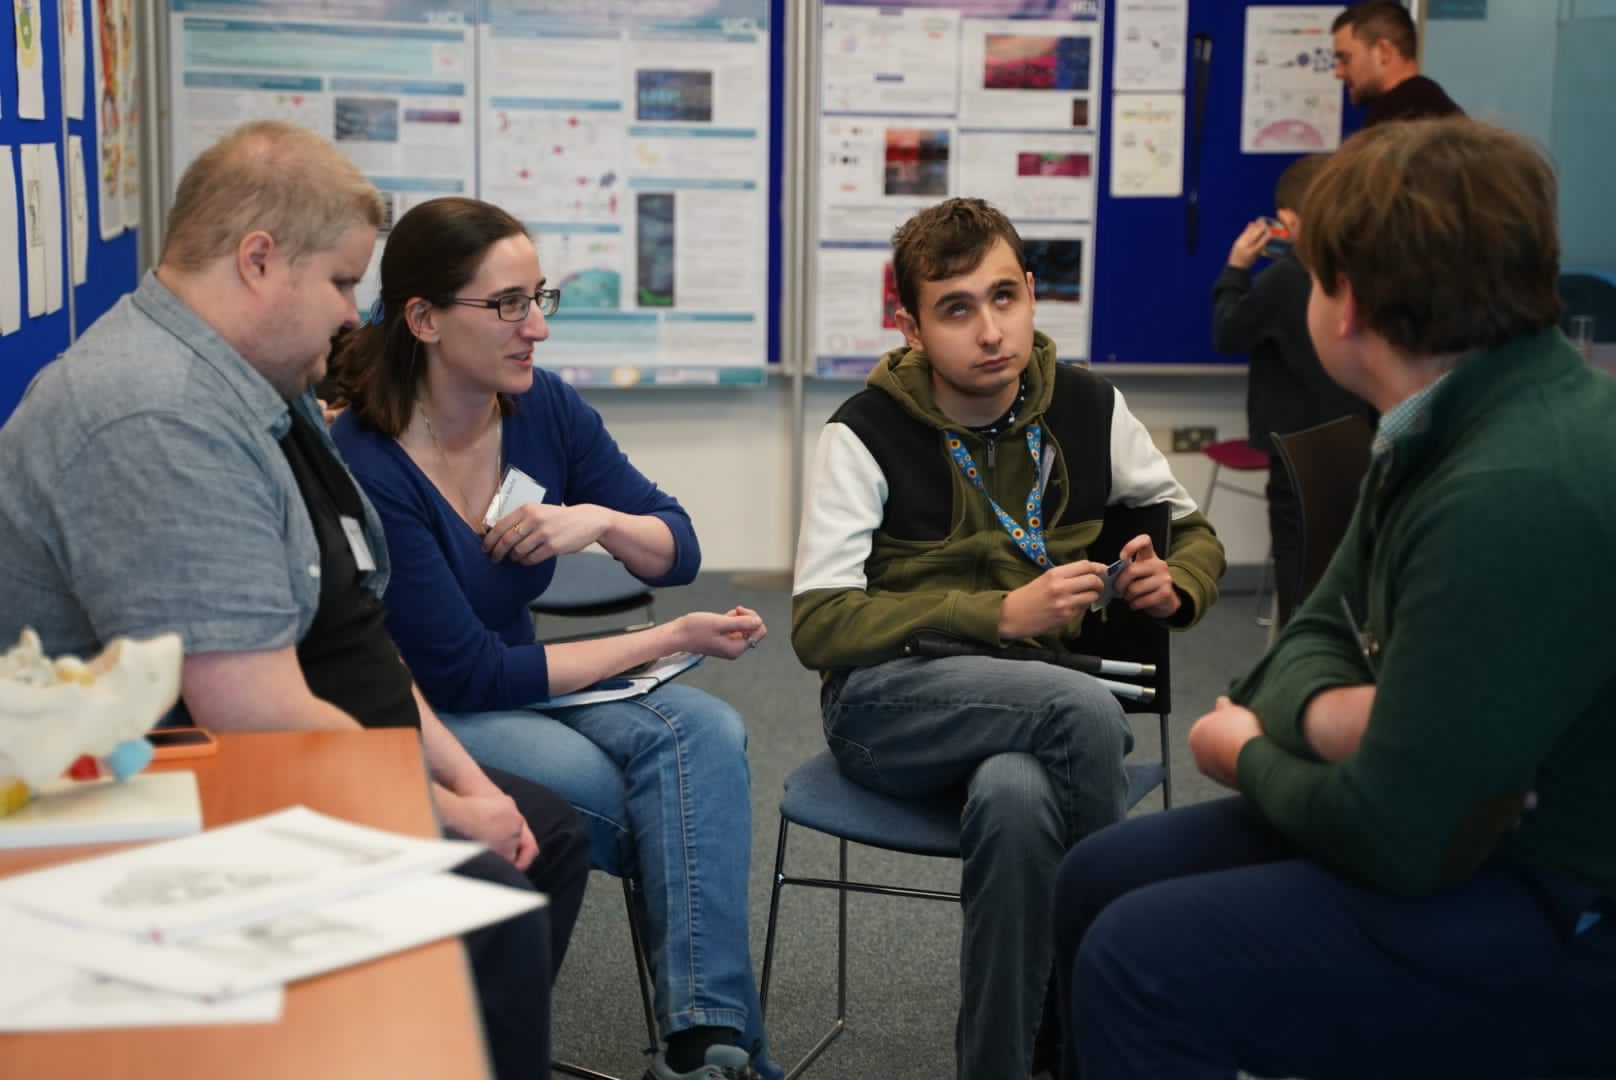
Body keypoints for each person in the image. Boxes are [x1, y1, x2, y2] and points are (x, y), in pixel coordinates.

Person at [0, 122, 590, 1080]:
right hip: (132, 798)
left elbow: (358, 626)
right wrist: (438, 812)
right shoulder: (159, 417)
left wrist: (467, 787)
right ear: (259, 260)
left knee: (545, 834)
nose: (354, 316)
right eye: (342, 283)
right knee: (490, 895)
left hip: (267, 751)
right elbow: (253, 714)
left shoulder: (253, 390)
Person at [1053, 118, 1616, 1079]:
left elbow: (1399, 837)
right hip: (1466, 828)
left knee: (1139, 960)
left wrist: (1251, 752)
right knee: (1100, 876)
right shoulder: (1444, 416)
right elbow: (1305, 639)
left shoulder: (1513, 485)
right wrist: (1344, 712)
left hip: (1557, 905)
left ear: (1343, 304)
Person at [325, 196, 776, 1080]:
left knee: (708, 733)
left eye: (541, 299)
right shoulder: (370, 461)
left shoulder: (541, 409)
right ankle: (715, 1052)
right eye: (506, 306)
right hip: (441, 709)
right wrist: (668, 639)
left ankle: (703, 1042)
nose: (535, 327)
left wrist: (598, 520)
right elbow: (472, 671)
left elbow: (677, 546)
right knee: (639, 779)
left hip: (531, 679)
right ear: (421, 319)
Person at [790, 197, 1226, 1080]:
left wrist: (1173, 584)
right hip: (891, 706)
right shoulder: (862, 432)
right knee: (1082, 709)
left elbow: (1193, 531)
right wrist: (994, 616)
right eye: (955, 309)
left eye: (1004, 299)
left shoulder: (1090, 405)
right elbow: (819, 624)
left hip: (1031, 720)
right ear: (908, 324)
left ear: (1032, 293)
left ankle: (1015, 1059)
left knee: (1018, 801)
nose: (989, 331)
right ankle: (1127, 1022)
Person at [1212, 154, 1369, 626]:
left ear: (1289, 219)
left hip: (1296, 447)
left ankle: (1296, 663)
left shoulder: (1285, 277)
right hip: (1358, 437)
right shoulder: (1363, 271)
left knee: (1298, 570)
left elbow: (1229, 333)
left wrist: (1236, 269)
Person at [1331, 0, 1462, 127]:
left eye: (1345, 59)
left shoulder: (1394, 124)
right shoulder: (1442, 109)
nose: (1338, 72)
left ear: (1384, 52)